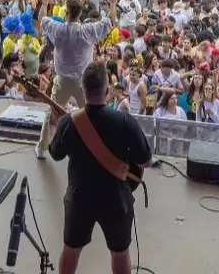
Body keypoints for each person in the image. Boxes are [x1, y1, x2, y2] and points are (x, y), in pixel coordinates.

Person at [49, 61, 153, 274]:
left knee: (71, 248)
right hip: (116, 198)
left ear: (82, 90)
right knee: (120, 252)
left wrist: (53, 126)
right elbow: (145, 162)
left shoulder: (68, 122)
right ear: (107, 91)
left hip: (80, 197)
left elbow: (55, 154)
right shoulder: (125, 121)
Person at [35, 0, 117, 158]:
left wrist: (44, 4)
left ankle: (42, 149)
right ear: (80, 14)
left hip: (63, 81)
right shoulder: (87, 31)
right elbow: (110, 22)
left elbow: (42, 18)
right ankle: (97, 152)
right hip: (84, 83)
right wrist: (113, 4)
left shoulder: (57, 29)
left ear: (66, 12)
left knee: (52, 115)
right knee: (92, 116)